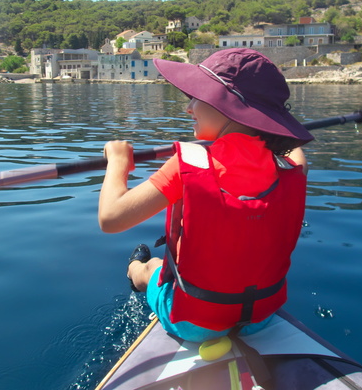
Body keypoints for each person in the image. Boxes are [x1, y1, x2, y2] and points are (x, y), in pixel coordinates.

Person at [98, 48, 314, 342]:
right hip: (261, 316)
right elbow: (295, 150)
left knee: (151, 268)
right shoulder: (292, 168)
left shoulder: (188, 165)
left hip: (196, 324)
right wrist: (271, 131)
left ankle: (134, 271)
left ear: (228, 108)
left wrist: (118, 162)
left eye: (197, 98)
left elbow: (111, 219)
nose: (189, 108)